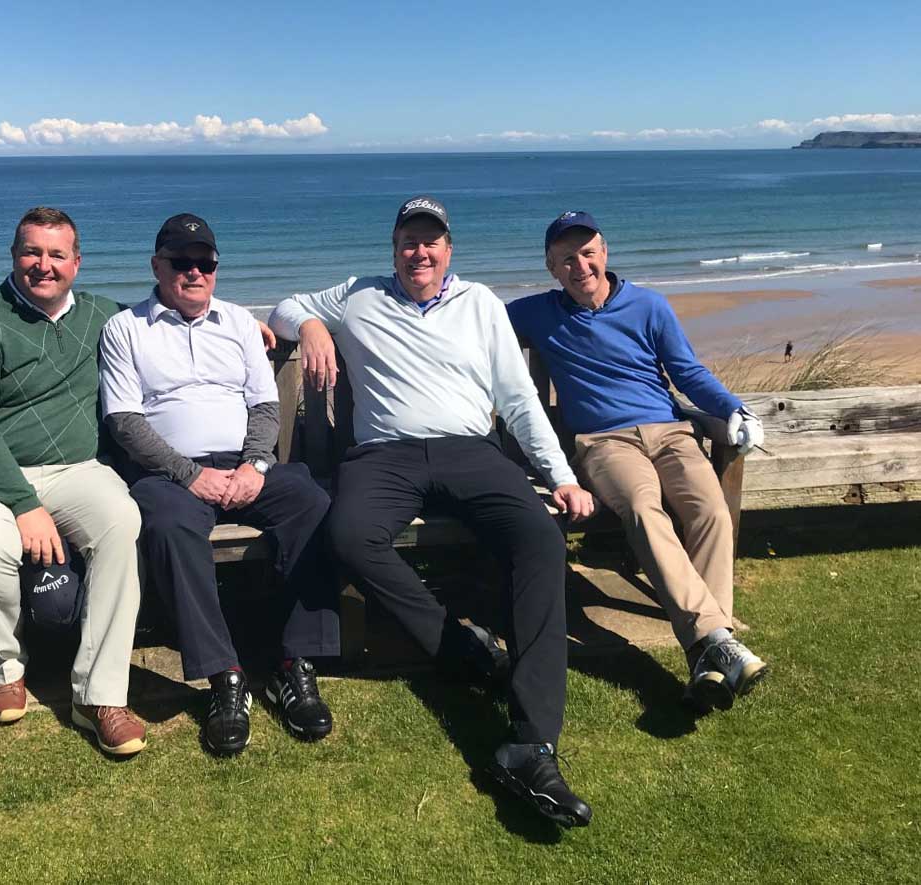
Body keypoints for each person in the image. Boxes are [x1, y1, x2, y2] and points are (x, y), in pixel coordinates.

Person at [269, 196, 595, 829]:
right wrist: (310, 325)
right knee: (349, 535)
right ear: (394, 251)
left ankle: (531, 744)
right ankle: (459, 646)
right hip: (383, 457)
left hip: (472, 451)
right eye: (409, 242)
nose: (421, 252)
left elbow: (518, 397)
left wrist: (560, 476)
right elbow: (285, 309)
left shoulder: (480, 305)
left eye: (432, 242)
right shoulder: (360, 295)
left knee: (540, 540)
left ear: (450, 250)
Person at [506, 211, 768, 714]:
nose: (579, 265)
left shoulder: (649, 305)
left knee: (710, 512)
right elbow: (473, 319)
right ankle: (717, 637)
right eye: (566, 259)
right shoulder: (537, 313)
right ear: (551, 268)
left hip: (672, 432)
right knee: (645, 510)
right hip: (604, 443)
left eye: (587, 253)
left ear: (605, 253)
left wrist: (733, 408)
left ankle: (707, 654)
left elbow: (687, 371)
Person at [99, 213, 339, 758]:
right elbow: (126, 422)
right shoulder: (126, 328)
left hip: (244, 463)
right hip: (169, 471)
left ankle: (291, 664)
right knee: (166, 524)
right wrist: (189, 474)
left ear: (215, 268)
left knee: (312, 503)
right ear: (157, 266)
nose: (193, 272)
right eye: (180, 263)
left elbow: (263, 403)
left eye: (204, 263)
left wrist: (254, 465)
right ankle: (224, 677)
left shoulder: (236, 322)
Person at [0, 207, 146, 757]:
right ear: (14, 256)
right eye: (32, 252)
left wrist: (263, 324)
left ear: (77, 262)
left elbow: (163, 322)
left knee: (122, 523)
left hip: (76, 471)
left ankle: (99, 696)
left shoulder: (105, 315)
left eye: (57, 255)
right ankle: (4, 666)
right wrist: (24, 504)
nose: (43, 266)